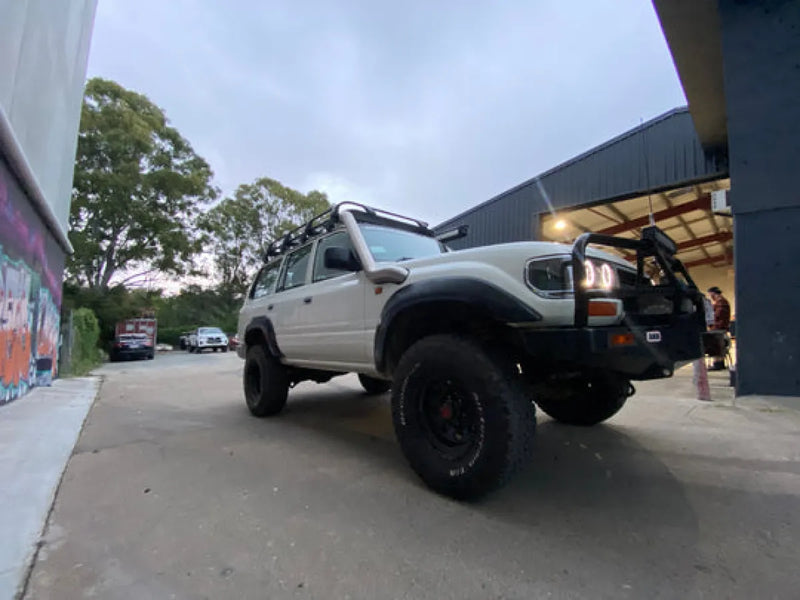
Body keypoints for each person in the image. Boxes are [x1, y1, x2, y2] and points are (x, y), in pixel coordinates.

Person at [707, 286, 731, 370]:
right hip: (720, 326)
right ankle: (719, 363)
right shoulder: (721, 301)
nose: (711, 297)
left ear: (714, 293)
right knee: (718, 344)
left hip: (718, 327)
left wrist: (710, 318)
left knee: (715, 344)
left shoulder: (721, 302)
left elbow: (717, 315)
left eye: (710, 294)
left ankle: (717, 363)